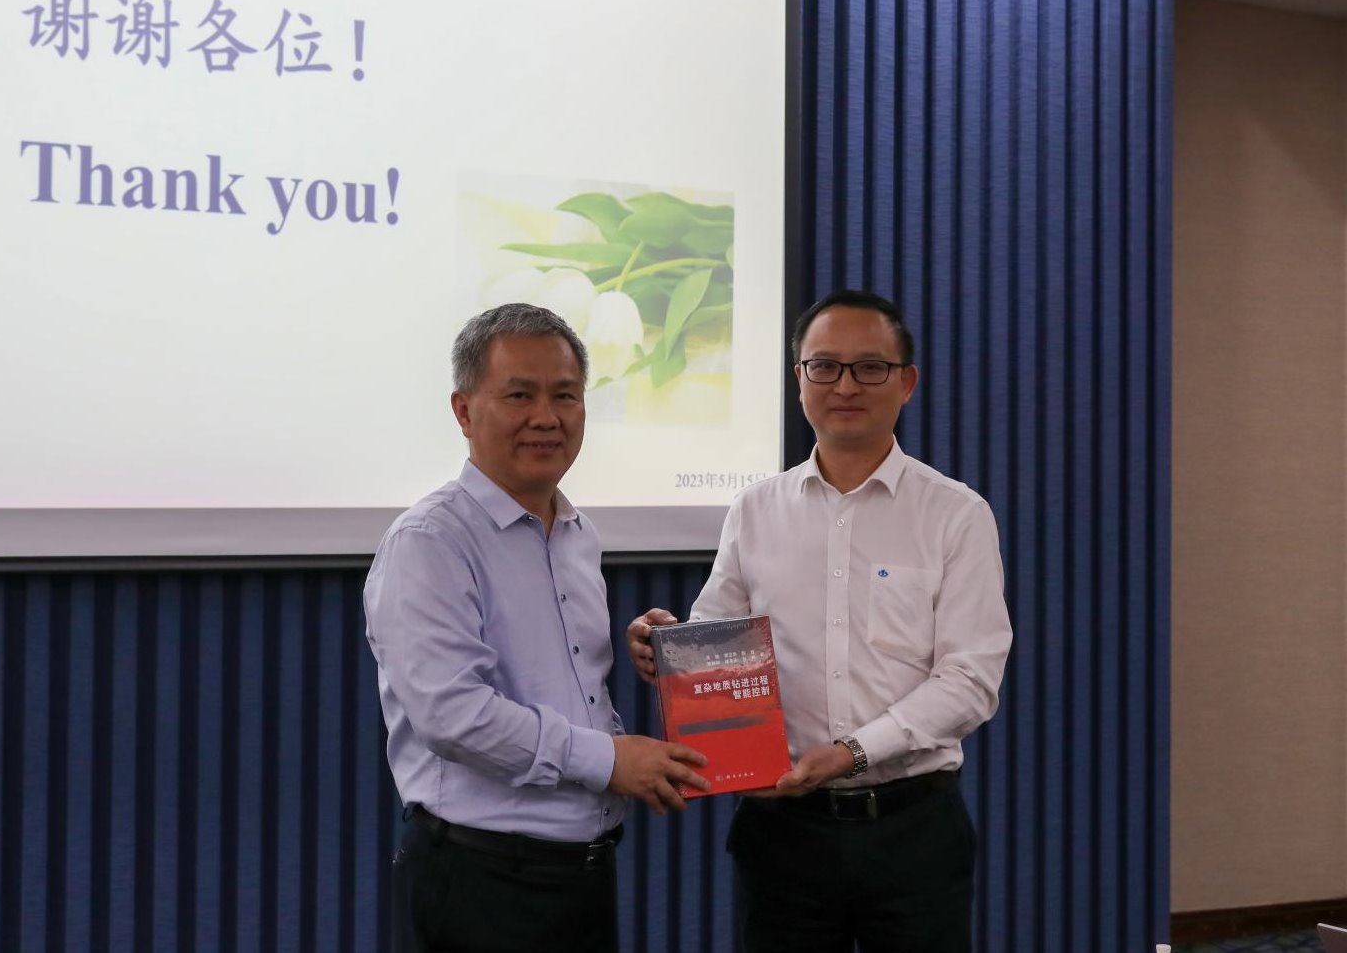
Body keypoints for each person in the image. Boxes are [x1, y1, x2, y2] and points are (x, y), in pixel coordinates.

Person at [627, 289, 1012, 953]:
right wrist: (667, 649)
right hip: (783, 833)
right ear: (799, 378)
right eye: (825, 366)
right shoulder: (755, 510)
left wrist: (853, 752)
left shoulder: (956, 514)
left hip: (913, 828)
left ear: (907, 383)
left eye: (871, 367)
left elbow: (970, 681)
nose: (846, 385)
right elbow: (717, 642)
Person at [365, 302, 709, 953]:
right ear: (464, 411)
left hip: (583, 878)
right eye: (520, 395)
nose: (547, 417)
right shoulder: (430, 541)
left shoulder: (578, 534)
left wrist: (643, 647)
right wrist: (611, 760)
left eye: (566, 396)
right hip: (483, 884)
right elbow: (454, 715)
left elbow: (563, 675)